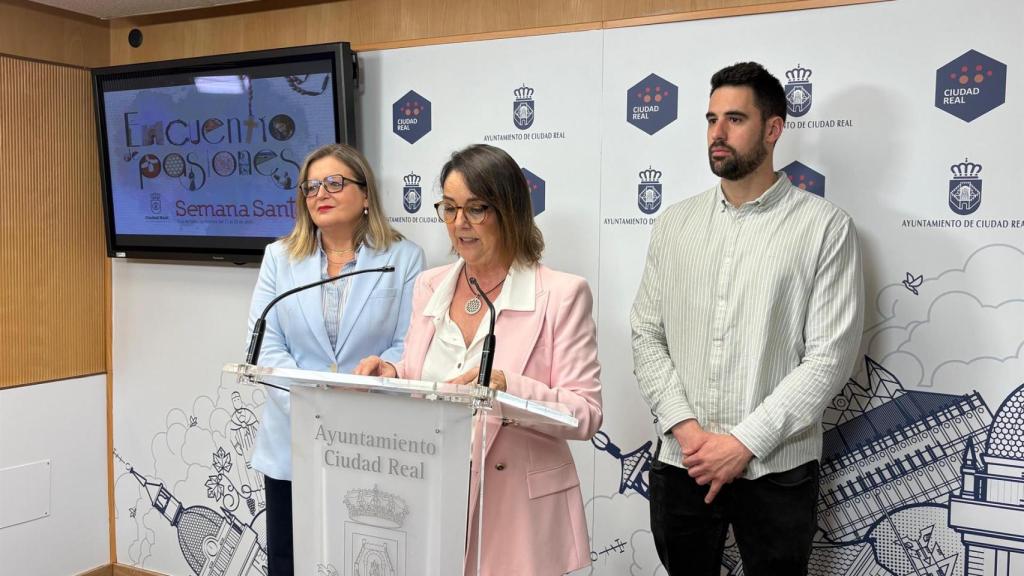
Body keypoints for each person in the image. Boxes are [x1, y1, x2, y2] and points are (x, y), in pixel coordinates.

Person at [631, 62, 863, 575]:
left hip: (776, 469)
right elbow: (647, 334)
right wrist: (691, 435)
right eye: (711, 119)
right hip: (681, 462)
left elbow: (828, 359)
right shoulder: (674, 224)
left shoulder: (825, 228)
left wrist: (742, 444)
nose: (717, 132)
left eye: (734, 119)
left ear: (773, 128)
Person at [355, 144, 602, 576]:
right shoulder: (430, 285)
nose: (459, 224)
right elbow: (424, 377)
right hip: (430, 495)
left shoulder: (562, 294)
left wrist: (508, 388)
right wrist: (393, 374)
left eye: (476, 209)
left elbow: (585, 415)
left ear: (509, 209)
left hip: (516, 514)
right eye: (449, 209)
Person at [246, 143, 425, 576]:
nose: (319, 194)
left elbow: (408, 345)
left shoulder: (402, 260)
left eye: (334, 183)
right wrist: (315, 407)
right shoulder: (280, 258)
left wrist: (357, 399)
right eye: (310, 187)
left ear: (366, 195)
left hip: (372, 443)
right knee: (290, 562)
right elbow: (265, 347)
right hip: (293, 439)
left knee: (363, 560)